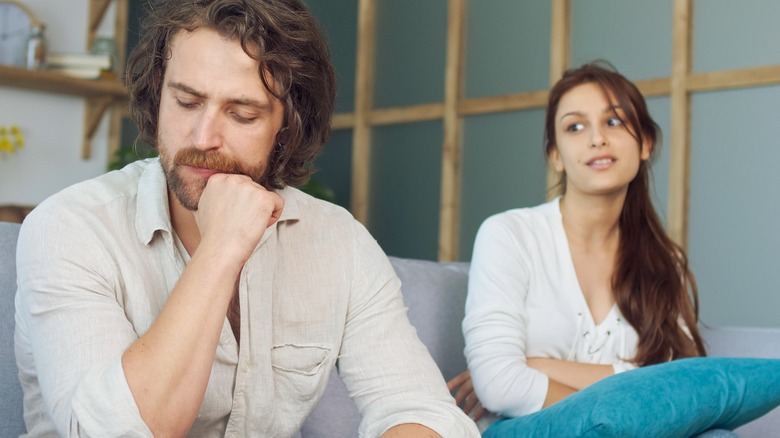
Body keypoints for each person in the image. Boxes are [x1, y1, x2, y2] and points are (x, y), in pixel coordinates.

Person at [13, 1, 479, 437]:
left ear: (287, 124)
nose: (203, 136)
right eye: (187, 102)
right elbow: (117, 431)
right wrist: (221, 249)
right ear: (158, 92)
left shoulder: (338, 241)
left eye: (241, 114)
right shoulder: (72, 227)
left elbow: (418, 406)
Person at [452, 61, 707, 422]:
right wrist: (631, 395)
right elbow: (498, 385)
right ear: (556, 155)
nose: (596, 138)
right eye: (575, 126)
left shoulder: (665, 262)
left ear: (646, 143)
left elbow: (684, 388)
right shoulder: (508, 234)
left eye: (614, 121)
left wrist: (537, 366)